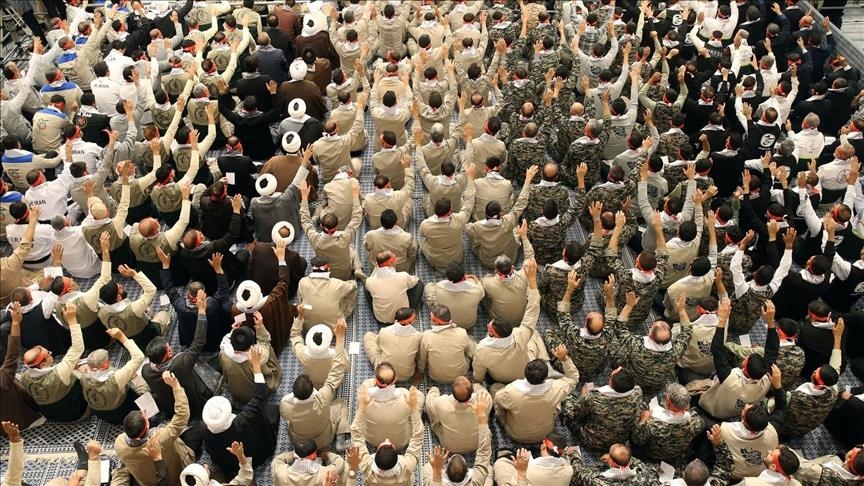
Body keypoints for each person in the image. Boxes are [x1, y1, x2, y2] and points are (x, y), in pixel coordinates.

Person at [198, 345, 277, 476]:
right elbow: (259, 395)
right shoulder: (243, 420)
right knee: (268, 411)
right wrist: (256, 367)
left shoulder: (204, 431)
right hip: (261, 454)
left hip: (230, 466)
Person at [280, 318, 351, 452]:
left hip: (298, 441)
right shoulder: (323, 398)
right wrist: (340, 339)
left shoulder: (285, 405)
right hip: (324, 439)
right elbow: (339, 370)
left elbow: (295, 336)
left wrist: (299, 318)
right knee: (341, 403)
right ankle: (341, 438)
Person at [115, 371, 195, 485]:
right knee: (197, 431)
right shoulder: (160, 438)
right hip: (174, 476)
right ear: (147, 425)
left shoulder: (119, 444)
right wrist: (176, 386)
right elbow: (182, 415)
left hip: (147, 481)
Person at [494, 345, 579, 443]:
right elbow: (573, 378)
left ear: (525, 373)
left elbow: (498, 399)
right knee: (558, 400)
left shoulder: (510, 391)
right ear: (546, 377)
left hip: (517, 435)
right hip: (545, 434)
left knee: (495, 388)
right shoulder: (556, 389)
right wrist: (564, 359)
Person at [20, 303, 87, 423]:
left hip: (51, 417)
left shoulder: (24, 377)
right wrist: (72, 320)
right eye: (48, 354)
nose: (51, 353)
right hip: (76, 413)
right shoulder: (59, 372)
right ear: (42, 364)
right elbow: (78, 347)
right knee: (86, 367)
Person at [348, 384, 423, 486]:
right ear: (397, 457)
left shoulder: (367, 468)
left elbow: (356, 434)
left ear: (375, 455)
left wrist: (362, 407)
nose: (387, 439)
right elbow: (418, 436)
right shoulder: (407, 466)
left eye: (383, 443)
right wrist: (413, 408)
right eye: (390, 444)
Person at [422, 393, 492, 486]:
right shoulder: (476, 482)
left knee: (427, 467)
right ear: (468, 471)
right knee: (488, 469)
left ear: (445, 471)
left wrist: (437, 471)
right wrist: (482, 418)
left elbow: (428, 469)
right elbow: (484, 453)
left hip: (448, 445)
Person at [80, 328, 146, 425]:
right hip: (123, 413)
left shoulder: (83, 377)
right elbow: (139, 357)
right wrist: (121, 337)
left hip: (102, 414)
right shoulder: (116, 379)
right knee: (143, 377)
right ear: (107, 363)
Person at [417, 305, 475, 384]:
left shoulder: (426, 336)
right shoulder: (462, 332)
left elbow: (422, 358)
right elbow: (467, 350)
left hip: (435, 376)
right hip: (460, 375)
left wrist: (420, 371)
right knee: (470, 341)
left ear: (435, 322)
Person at [363, 308, 422, 382]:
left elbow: (378, 346)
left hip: (384, 374)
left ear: (395, 320)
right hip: (407, 375)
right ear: (410, 322)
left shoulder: (384, 332)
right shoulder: (418, 336)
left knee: (368, 336)